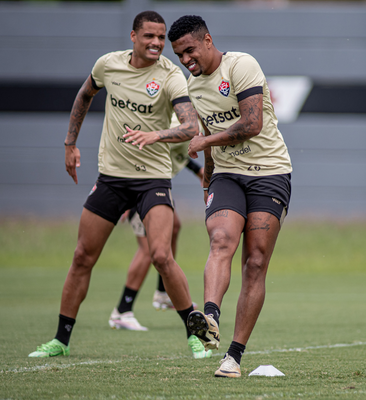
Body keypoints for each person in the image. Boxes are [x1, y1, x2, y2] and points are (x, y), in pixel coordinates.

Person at [29, 11, 212, 359]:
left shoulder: (171, 76)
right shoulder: (108, 65)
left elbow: (190, 127)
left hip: (152, 181)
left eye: (161, 38)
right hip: (111, 178)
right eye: (150, 37)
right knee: (82, 256)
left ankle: (194, 332)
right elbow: (85, 96)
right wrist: (70, 144)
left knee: (160, 254)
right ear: (133, 36)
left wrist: (154, 134)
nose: (157, 43)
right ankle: (60, 340)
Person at [168, 15, 293, 378]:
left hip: (270, 173)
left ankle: (234, 357)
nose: (186, 60)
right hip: (226, 175)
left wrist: (205, 141)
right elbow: (206, 129)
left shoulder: (241, 65)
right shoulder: (193, 85)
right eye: (179, 55)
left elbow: (252, 125)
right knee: (221, 240)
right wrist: (207, 175)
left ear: (208, 40)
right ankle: (209, 318)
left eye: (190, 50)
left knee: (254, 262)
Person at [109, 138, 204, 333]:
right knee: (147, 250)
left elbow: (176, 151)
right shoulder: (174, 122)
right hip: (139, 187)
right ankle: (122, 311)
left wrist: (197, 170)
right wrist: (124, 194)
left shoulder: (182, 123)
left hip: (153, 188)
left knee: (174, 227)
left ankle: (163, 293)